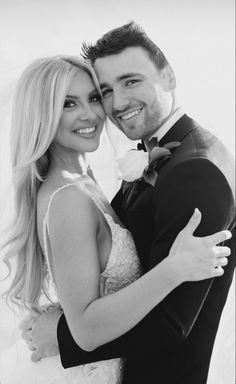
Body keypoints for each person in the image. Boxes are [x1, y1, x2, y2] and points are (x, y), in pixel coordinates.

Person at [21, 22, 235, 384]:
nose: (117, 103)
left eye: (131, 81)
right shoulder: (167, 157)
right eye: (106, 90)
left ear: (168, 76)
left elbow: (171, 321)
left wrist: (62, 337)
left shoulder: (195, 169)